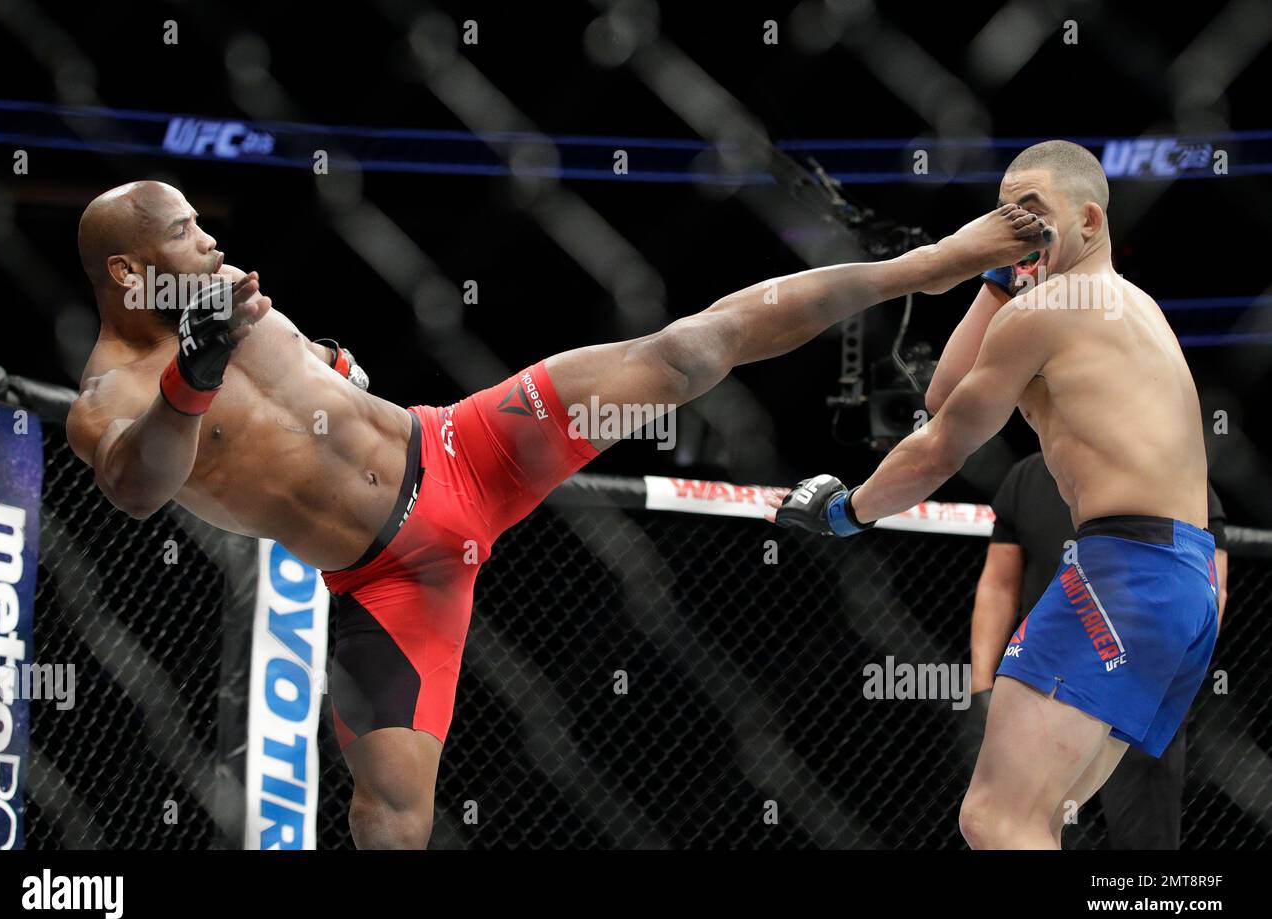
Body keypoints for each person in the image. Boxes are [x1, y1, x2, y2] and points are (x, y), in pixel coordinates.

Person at [66, 179, 1048, 848]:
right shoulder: (113, 392)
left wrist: (319, 365)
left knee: (685, 352)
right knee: (389, 820)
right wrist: (194, 379)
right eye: (188, 233)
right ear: (128, 274)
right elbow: (136, 486)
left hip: (460, 447)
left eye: (204, 226)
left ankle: (931, 264)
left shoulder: (236, 301)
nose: (213, 241)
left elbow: (309, 387)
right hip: (394, 580)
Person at [772, 140, 1220, 849]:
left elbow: (940, 444)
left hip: (1124, 576)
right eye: (1006, 213)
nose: (1017, 226)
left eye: (1034, 212)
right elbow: (948, 394)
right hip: (1181, 588)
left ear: (1090, 221)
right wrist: (997, 277)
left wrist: (844, 509)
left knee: (995, 819)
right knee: (1038, 820)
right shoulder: (1130, 308)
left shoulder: (1052, 309)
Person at [966, 452, 1228, 848]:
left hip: (1134, 681)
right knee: (1028, 823)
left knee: (1136, 837)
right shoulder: (1028, 476)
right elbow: (998, 585)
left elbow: (1211, 587)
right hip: (1049, 680)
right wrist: (981, 682)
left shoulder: (1173, 472)